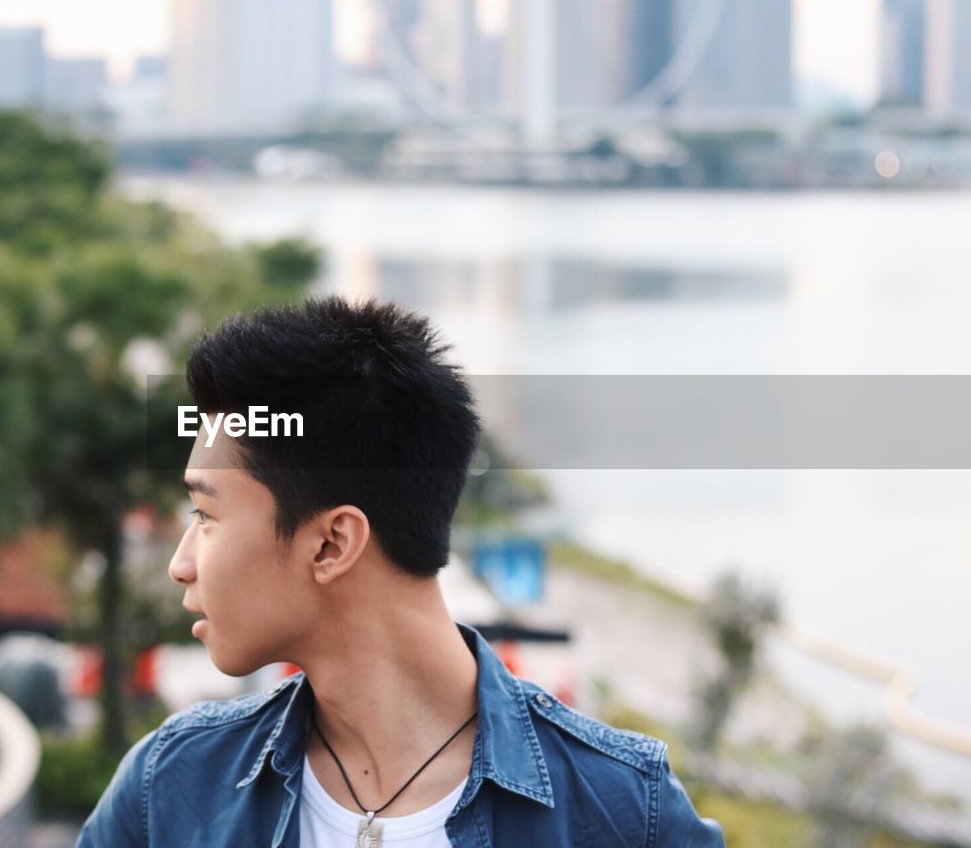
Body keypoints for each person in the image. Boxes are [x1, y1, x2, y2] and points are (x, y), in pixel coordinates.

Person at [78, 296, 723, 847]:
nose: (180, 563)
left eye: (206, 514)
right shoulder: (169, 789)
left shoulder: (620, 811)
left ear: (333, 543)